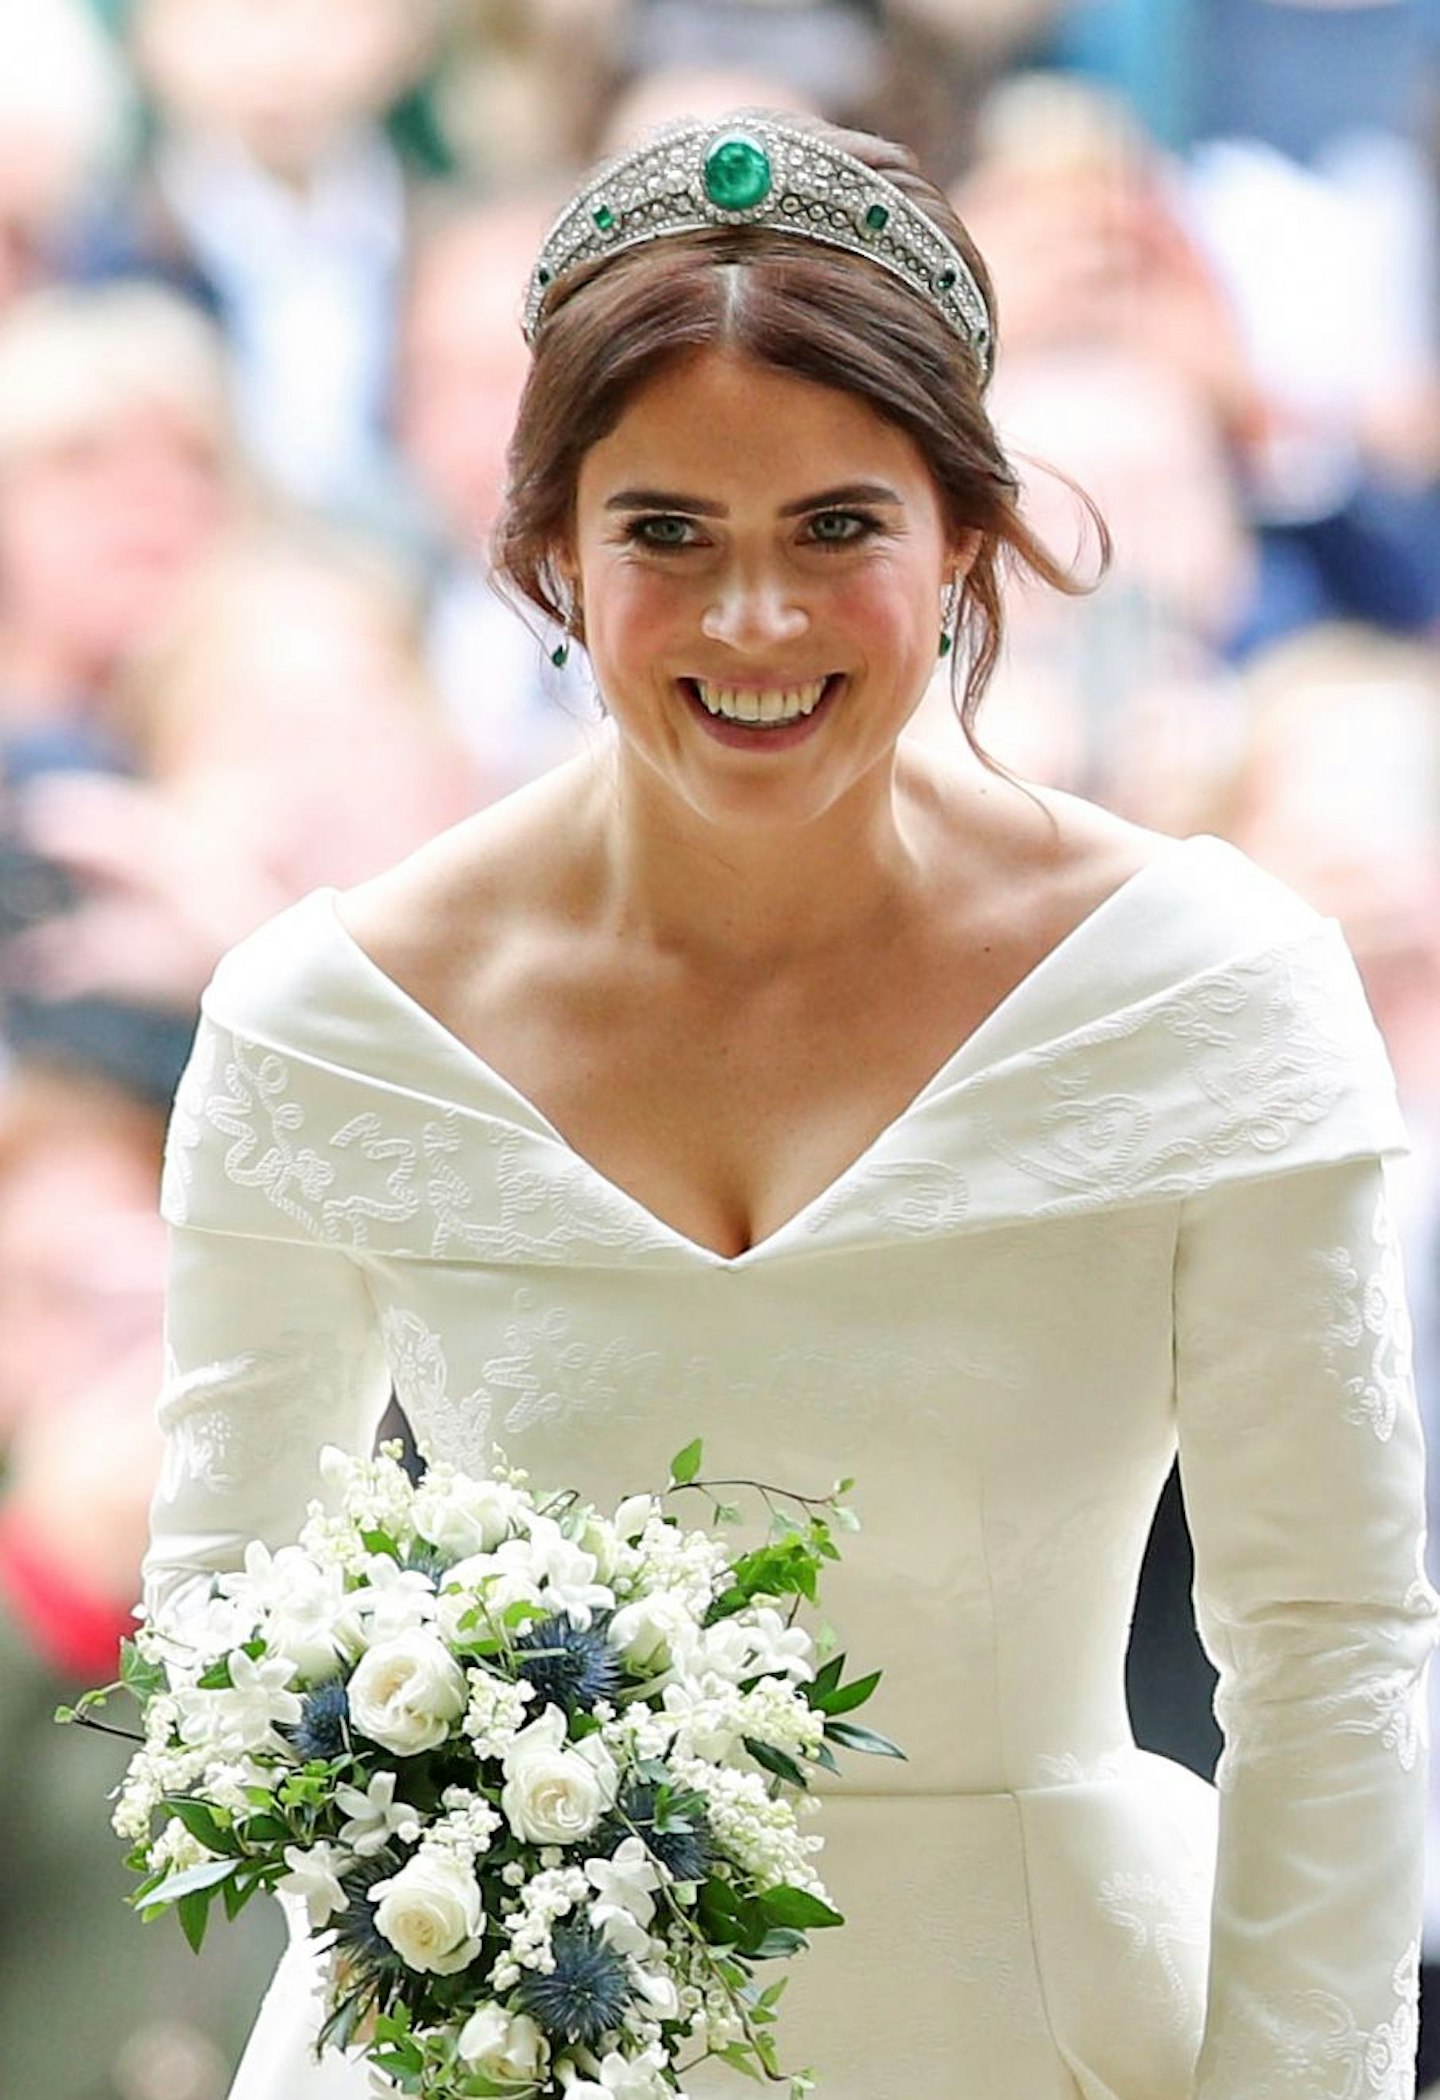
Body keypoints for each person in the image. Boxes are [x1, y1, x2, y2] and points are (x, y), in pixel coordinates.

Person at [140, 111, 1436, 2098]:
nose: (756, 619)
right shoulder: (332, 1025)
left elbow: (1336, 1644)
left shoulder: (1210, 993)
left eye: (838, 527)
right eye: (669, 533)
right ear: (546, 552)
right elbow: (219, 1643)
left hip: (1058, 2033)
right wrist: (451, 1922)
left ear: (964, 541)